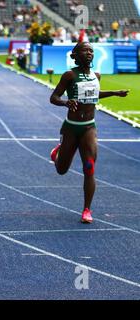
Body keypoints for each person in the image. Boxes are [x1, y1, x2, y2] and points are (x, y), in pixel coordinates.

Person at [49, 42, 128, 223]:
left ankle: (87, 210)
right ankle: (58, 153)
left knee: (89, 167)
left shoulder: (96, 75)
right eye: (85, 50)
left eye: (91, 50)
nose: (89, 53)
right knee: (61, 170)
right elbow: (53, 97)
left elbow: (94, 94)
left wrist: (115, 93)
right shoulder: (69, 75)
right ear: (76, 55)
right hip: (71, 127)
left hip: (88, 128)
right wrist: (66, 102)